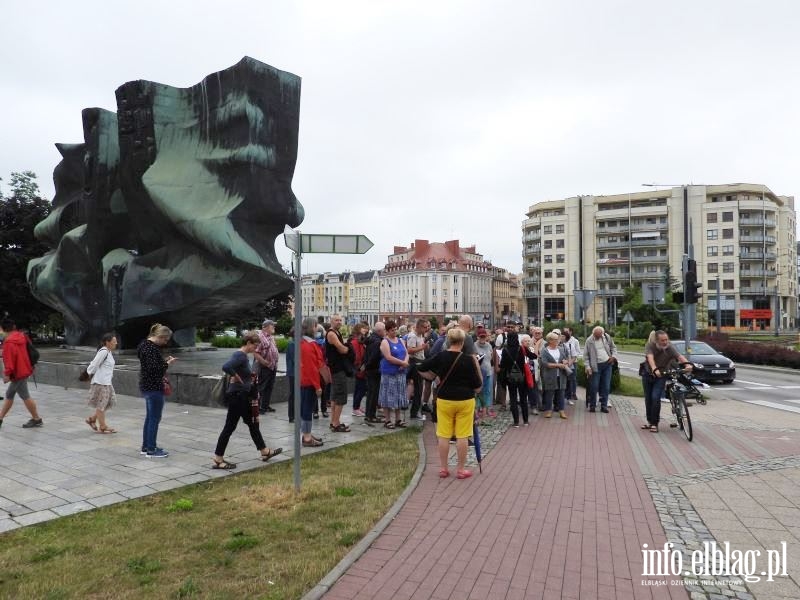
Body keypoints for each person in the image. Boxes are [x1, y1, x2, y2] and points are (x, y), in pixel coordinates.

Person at [418, 327, 482, 479]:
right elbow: (478, 386)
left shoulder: (441, 356)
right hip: (465, 400)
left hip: (444, 399)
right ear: (463, 342)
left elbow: (421, 368)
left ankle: (444, 469)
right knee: (462, 435)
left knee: (444, 435)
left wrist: (433, 377)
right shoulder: (468, 360)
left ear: (448, 340)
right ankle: (460, 469)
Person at [212, 333, 284, 469]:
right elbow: (226, 366)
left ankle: (264, 451)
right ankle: (218, 458)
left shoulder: (242, 356)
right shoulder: (240, 355)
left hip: (242, 396)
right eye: (255, 345)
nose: (255, 349)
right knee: (229, 427)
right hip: (238, 397)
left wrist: (244, 378)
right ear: (249, 342)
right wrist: (236, 377)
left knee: (252, 424)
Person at [137, 323, 176, 458]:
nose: (165, 342)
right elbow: (155, 369)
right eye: (165, 339)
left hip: (147, 385)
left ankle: (146, 446)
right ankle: (151, 449)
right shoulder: (151, 349)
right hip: (154, 386)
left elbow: (150, 366)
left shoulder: (144, 345)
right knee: (154, 418)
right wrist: (167, 364)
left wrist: (162, 363)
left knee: (150, 418)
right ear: (159, 336)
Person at [641, 330, 692, 433]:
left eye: (666, 340)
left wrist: (687, 364)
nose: (665, 342)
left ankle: (655, 424)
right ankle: (650, 421)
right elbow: (650, 358)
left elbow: (679, 356)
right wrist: (655, 369)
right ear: (656, 340)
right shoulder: (650, 346)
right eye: (662, 340)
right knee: (648, 399)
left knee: (655, 397)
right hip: (648, 374)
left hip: (661, 376)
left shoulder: (669, 347)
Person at [0, 319, 43, 429]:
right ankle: (0, 418)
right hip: (25, 369)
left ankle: (37, 419)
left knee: (25, 396)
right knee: (10, 394)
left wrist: (7, 375)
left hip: (18, 373)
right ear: (13, 326)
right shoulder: (22, 336)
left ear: (2, 329)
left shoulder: (8, 343)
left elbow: (9, 362)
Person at [378, 319, 409, 429]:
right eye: (392, 330)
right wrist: (402, 363)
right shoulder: (385, 342)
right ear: (387, 331)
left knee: (399, 396)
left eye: (395, 329)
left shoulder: (401, 340)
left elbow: (406, 353)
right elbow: (388, 357)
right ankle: (387, 420)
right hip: (389, 374)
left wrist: (405, 362)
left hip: (400, 373)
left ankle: (398, 419)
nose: (394, 332)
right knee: (388, 396)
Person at [85, 333, 118, 433]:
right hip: (101, 383)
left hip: (107, 382)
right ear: (107, 342)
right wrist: (88, 374)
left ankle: (92, 419)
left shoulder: (109, 352)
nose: (116, 343)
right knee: (102, 405)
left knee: (108, 403)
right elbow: (94, 364)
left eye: (116, 341)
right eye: (114, 341)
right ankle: (102, 427)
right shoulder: (103, 352)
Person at [300, 317, 325, 447]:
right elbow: (311, 368)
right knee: (307, 409)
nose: (317, 329)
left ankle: (306, 433)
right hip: (309, 382)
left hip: (304, 381)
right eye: (316, 326)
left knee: (305, 408)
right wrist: (317, 386)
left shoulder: (303, 343)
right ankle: (307, 437)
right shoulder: (308, 345)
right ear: (312, 327)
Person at [499, 331, 532, 427]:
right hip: (522, 377)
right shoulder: (521, 348)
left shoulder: (505, 350)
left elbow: (502, 365)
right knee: (523, 399)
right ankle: (525, 421)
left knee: (513, 399)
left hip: (511, 378)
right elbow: (532, 356)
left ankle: (516, 422)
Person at [325, 314, 352, 432]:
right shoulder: (331, 333)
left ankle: (334, 422)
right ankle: (336, 424)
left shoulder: (337, 332)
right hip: (337, 369)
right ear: (331, 321)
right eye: (336, 320)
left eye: (340, 320)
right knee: (340, 396)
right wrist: (348, 349)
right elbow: (342, 349)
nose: (339, 322)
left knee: (335, 396)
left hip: (337, 368)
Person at [584, 326, 619, 414]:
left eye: (599, 335)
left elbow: (614, 348)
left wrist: (613, 357)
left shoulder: (606, 337)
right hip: (595, 366)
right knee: (594, 387)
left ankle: (604, 406)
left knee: (606, 387)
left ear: (602, 334)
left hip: (607, 364)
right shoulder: (589, 340)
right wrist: (588, 367)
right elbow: (586, 356)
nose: (597, 337)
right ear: (593, 333)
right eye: (596, 335)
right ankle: (592, 405)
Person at [540, 332, 570, 419]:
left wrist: (565, 361)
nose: (558, 341)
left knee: (561, 393)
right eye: (556, 339)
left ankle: (562, 411)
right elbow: (545, 363)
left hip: (561, 375)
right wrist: (558, 365)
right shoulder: (545, 350)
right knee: (549, 393)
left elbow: (566, 358)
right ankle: (549, 410)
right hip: (549, 375)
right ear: (550, 340)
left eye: (558, 339)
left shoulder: (561, 349)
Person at [406, 319, 429, 420]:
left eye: (427, 326)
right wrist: (422, 348)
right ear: (418, 327)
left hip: (420, 361)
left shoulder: (420, 335)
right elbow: (409, 350)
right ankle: (414, 413)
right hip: (415, 363)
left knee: (419, 388)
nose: (426, 328)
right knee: (418, 388)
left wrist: (424, 348)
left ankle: (415, 411)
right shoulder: (412, 336)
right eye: (424, 327)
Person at [254, 319, 279, 414]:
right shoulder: (261, 337)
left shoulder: (270, 337)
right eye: (272, 325)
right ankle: (259, 407)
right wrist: (264, 362)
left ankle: (265, 406)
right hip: (265, 367)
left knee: (269, 387)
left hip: (272, 366)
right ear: (265, 327)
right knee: (261, 387)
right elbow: (256, 352)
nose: (274, 327)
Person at [363, 322, 386, 423]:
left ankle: (369, 414)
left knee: (371, 393)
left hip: (370, 369)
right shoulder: (377, 342)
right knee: (374, 393)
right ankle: (371, 416)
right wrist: (369, 366)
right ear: (380, 331)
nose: (385, 332)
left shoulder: (371, 339)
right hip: (374, 370)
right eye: (384, 330)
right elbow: (374, 357)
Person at [474, 325, 496, 421]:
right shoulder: (474, 346)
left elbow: (490, 357)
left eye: (484, 336)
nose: (482, 338)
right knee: (478, 392)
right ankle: (477, 410)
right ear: (477, 336)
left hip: (488, 372)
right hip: (478, 373)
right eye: (481, 336)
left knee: (487, 391)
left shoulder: (489, 345)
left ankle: (485, 410)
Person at [349, 323, 368, 418]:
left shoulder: (360, 341)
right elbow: (356, 355)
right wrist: (360, 366)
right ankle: (355, 408)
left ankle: (356, 407)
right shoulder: (355, 342)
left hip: (361, 367)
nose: (365, 330)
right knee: (360, 388)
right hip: (359, 368)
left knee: (359, 388)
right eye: (363, 328)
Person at [562, 328, 582, 405]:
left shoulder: (571, 344)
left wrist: (569, 363)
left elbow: (575, 355)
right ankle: (562, 397)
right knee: (563, 381)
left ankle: (569, 396)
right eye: (561, 336)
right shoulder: (558, 344)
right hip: (561, 365)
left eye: (563, 336)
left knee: (570, 381)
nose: (561, 337)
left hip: (570, 365)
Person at [285, 328, 296, 423]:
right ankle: (291, 416)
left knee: (294, 394)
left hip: (294, 372)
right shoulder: (292, 344)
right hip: (293, 373)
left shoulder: (294, 343)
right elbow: (295, 359)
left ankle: (294, 415)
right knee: (293, 394)